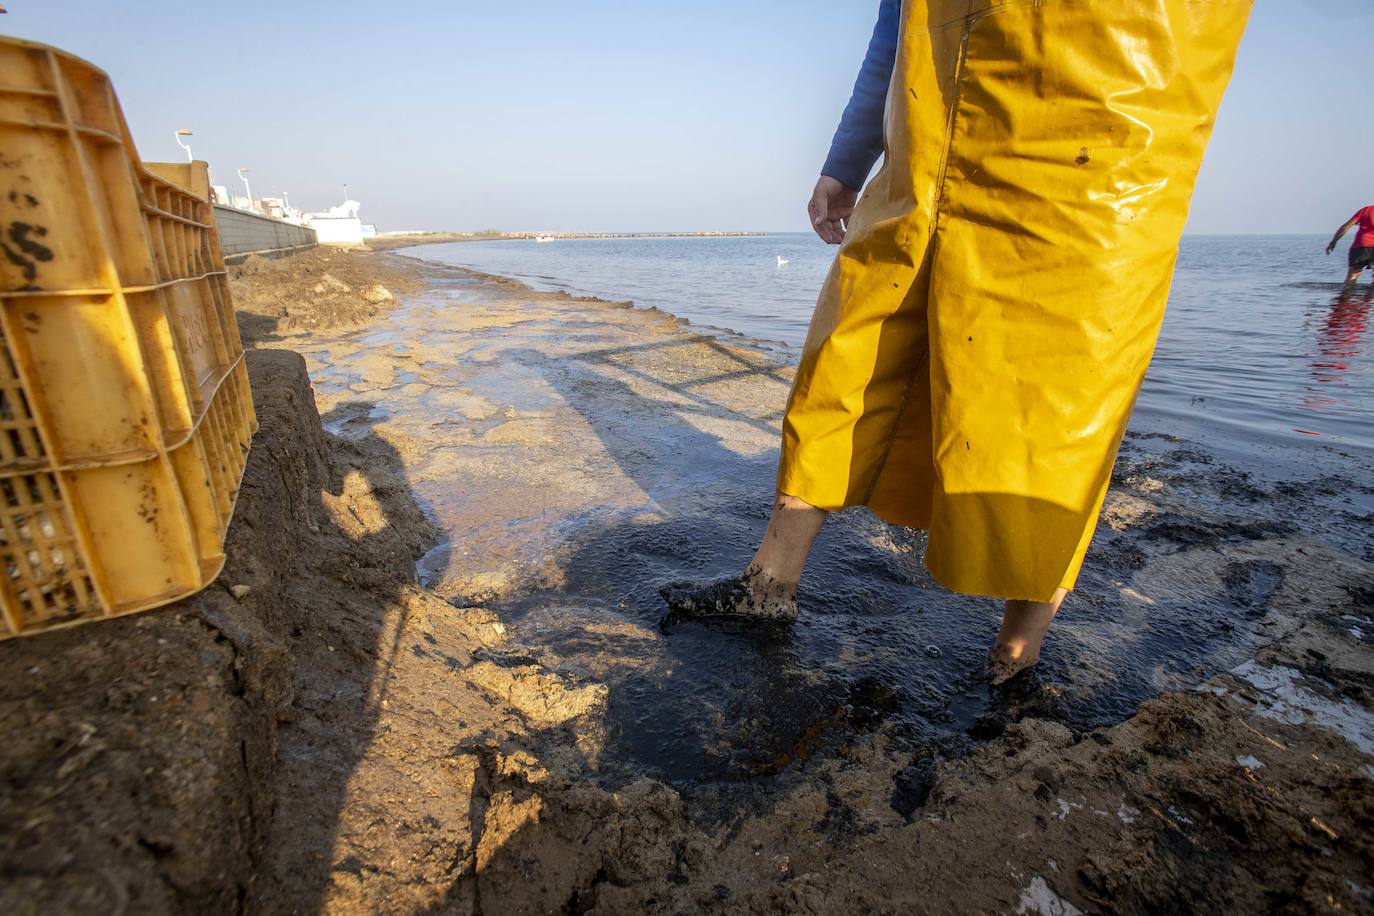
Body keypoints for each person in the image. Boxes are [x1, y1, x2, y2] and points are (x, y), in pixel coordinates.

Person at [661, 0, 1252, 685]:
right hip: (929, 134)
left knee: (1062, 397)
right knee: (852, 347)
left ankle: (1017, 650)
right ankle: (769, 581)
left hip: (1097, 132)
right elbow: (895, 24)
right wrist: (848, 158)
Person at [1326, 205, 1374, 288]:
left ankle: (1346, 298)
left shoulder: (1366, 210)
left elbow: (1345, 227)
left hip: (1360, 248)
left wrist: (1333, 242)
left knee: (1351, 278)